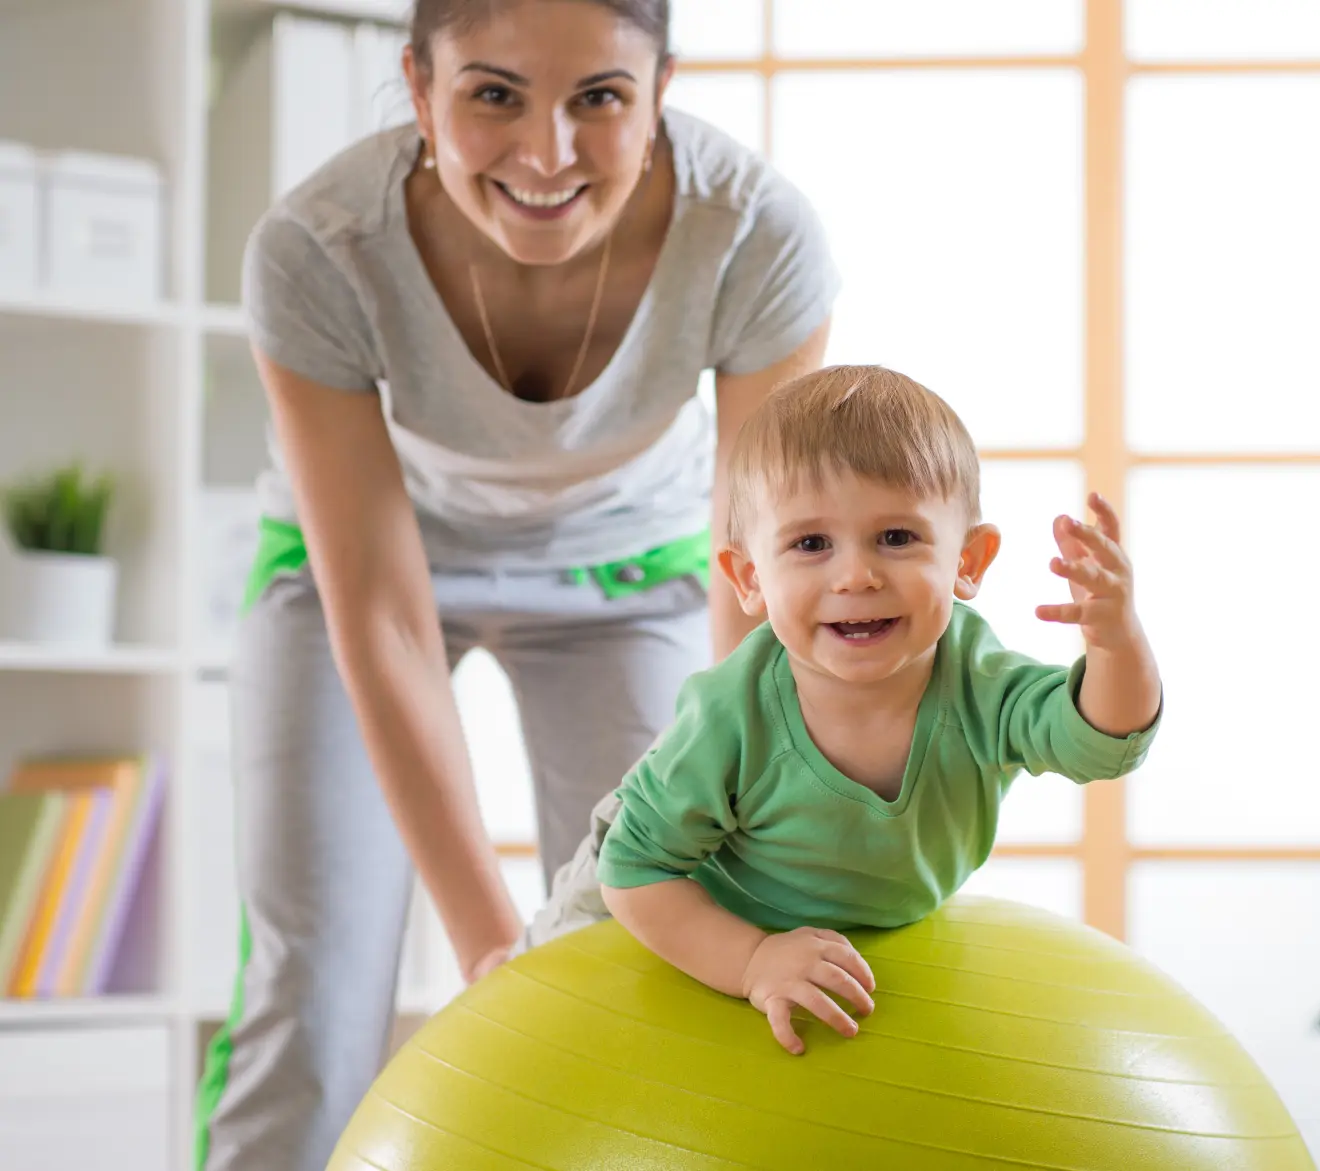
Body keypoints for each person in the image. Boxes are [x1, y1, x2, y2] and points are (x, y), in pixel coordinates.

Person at [193, 0, 839, 1166]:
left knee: (662, 958)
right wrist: (493, 948)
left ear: (661, 91)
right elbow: (384, 618)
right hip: (365, 577)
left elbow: (767, 566)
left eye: (599, 99)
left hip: (632, 573)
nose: (546, 155)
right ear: (419, 87)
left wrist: (750, 839)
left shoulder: (755, 237)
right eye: (494, 94)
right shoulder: (316, 248)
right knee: (318, 992)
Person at [516, 364, 1164, 1055]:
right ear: (749, 578)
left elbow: (1099, 741)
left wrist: (1115, 642)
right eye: (811, 543)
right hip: (662, 894)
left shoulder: (978, 681)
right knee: (529, 1014)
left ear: (969, 560)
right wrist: (751, 959)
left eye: (896, 537)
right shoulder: (731, 713)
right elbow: (636, 871)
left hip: (822, 928)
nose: (856, 574)